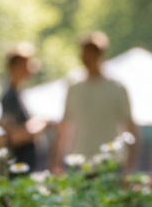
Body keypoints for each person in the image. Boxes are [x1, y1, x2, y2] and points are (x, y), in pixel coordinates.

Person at [53, 32, 141, 172]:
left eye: (89, 53)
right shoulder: (74, 88)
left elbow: (130, 127)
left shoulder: (116, 88)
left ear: (99, 54)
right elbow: (65, 127)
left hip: (110, 162)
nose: (85, 58)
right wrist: (57, 162)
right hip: (79, 162)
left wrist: (129, 165)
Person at [0, 43, 48, 173]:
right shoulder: (9, 98)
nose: (30, 69)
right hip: (19, 168)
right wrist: (39, 124)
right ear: (14, 66)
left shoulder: (19, 94)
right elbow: (13, 136)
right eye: (26, 65)